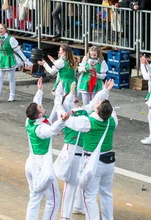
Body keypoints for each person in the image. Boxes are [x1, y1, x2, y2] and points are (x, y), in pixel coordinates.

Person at [56, 81, 113, 220]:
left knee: (77, 186)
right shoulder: (79, 114)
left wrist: (60, 100)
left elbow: (93, 103)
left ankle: (71, 212)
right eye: (74, 99)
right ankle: (73, 211)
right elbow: (94, 103)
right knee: (79, 186)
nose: (77, 100)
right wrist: (64, 97)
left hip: (81, 157)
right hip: (81, 156)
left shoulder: (82, 116)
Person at [25, 78, 69, 220]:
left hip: (31, 165)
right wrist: (62, 121)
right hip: (42, 168)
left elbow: (35, 105)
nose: (42, 106)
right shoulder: (41, 128)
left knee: (34, 198)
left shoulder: (29, 121)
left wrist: (39, 91)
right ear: (40, 114)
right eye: (41, 107)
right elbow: (51, 131)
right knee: (53, 199)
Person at [0, 24, 32, 102]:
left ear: (5, 29)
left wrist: (25, 60)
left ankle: (12, 95)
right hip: (1, 59)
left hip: (10, 59)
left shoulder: (11, 39)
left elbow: (18, 51)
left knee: (11, 78)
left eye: (2, 28)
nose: (0, 30)